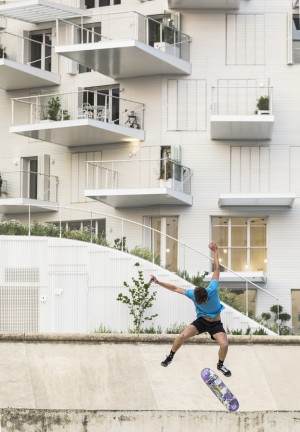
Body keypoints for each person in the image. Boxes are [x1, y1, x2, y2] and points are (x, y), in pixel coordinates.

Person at [150, 241, 231, 377]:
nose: (204, 303)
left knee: (224, 345)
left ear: (207, 295)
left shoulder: (213, 288)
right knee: (182, 336)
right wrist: (158, 282)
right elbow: (175, 288)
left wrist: (215, 251)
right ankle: (170, 357)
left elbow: (216, 269)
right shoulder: (192, 294)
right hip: (201, 321)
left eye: (205, 301)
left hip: (216, 324)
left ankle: (220, 365)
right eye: (201, 302)